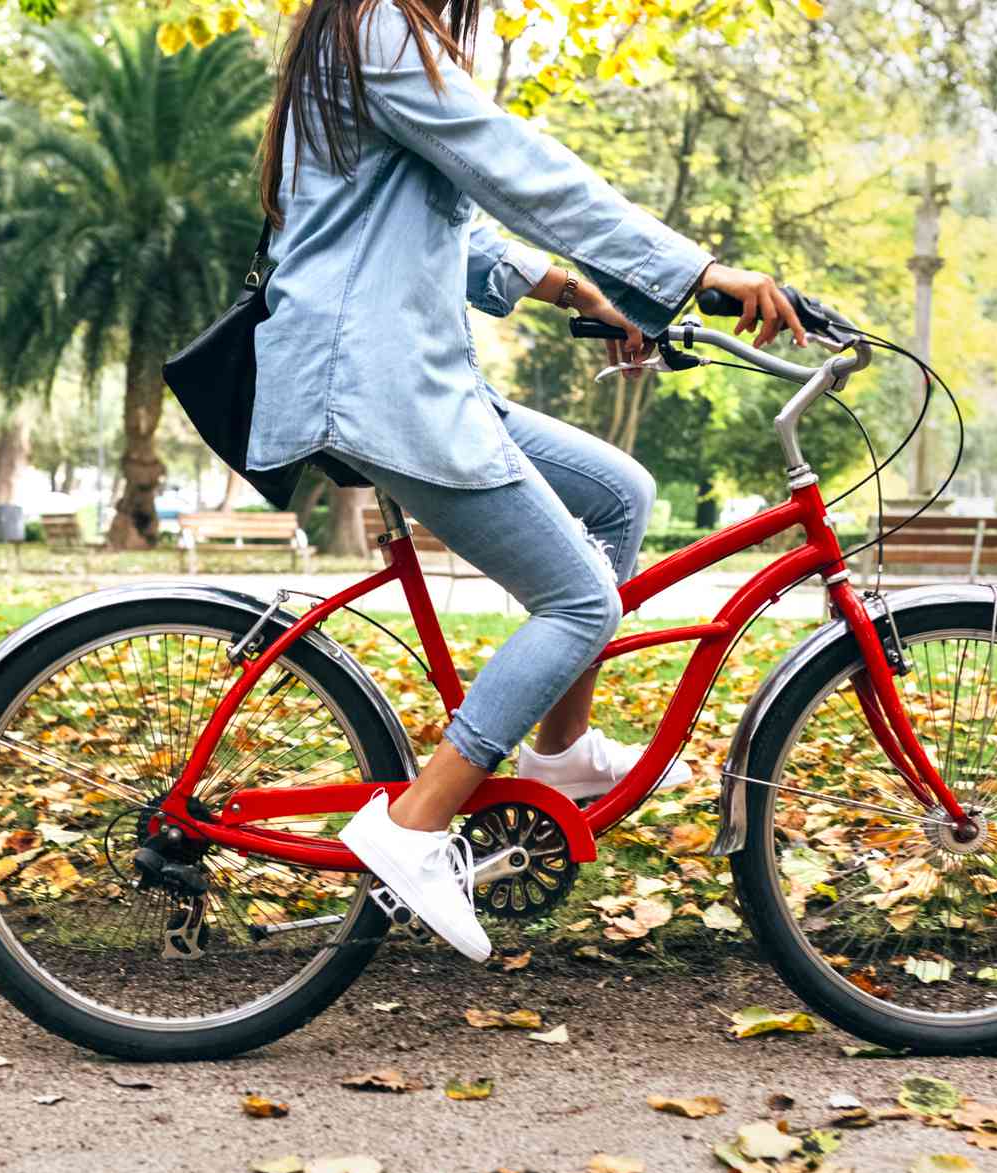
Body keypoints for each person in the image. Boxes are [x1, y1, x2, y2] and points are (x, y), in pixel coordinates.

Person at [249, 0, 804, 961]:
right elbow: (513, 166)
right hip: (377, 380)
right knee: (583, 601)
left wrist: (571, 288)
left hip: (407, 367)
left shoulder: (355, 34)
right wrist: (698, 271)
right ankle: (415, 827)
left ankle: (562, 752)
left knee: (618, 494)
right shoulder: (378, 26)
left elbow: (422, 226)